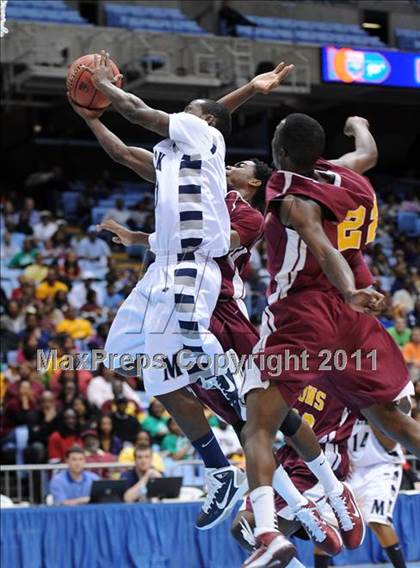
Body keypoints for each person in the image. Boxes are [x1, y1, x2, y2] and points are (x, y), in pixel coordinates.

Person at [72, 50, 293, 528]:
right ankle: (220, 468)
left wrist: (99, 82)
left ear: (206, 121)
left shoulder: (205, 136)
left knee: (198, 357)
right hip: (161, 269)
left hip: (198, 272)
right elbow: (121, 151)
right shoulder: (171, 155)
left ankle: (222, 382)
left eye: (189, 110)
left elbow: (141, 110)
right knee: (135, 364)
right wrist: (88, 118)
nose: (181, 115)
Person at [240, 113, 420, 566]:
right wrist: (359, 122)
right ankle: (331, 492)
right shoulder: (342, 172)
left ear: (280, 153)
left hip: (308, 314)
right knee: (395, 425)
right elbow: (369, 152)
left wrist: (348, 290)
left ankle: (267, 533)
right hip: (353, 325)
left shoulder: (293, 195)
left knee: (258, 424)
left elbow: (323, 246)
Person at [231, 376, 357, 566]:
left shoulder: (350, 372)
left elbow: (390, 409)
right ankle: (305, 508)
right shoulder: (291, 363)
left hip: (321, 457)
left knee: (272, 538)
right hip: (287, 453)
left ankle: (329, 497)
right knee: (241, 529)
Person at [347, 418, 407, 568]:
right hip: (352, 469)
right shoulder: (341, 401)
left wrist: (370, 412)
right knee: (329, 523)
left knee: (377, 520)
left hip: (382, 465)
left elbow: (390, 444)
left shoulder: (384, 400)